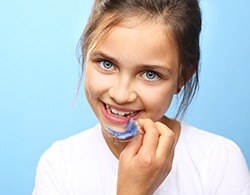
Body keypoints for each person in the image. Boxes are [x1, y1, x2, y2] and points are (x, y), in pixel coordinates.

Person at [33, 0, 250, 194]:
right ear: (85, 52)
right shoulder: (60, 164)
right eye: (107, 64)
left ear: (182, 77)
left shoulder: (218, 161)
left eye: (150, 74)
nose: (120, 94)